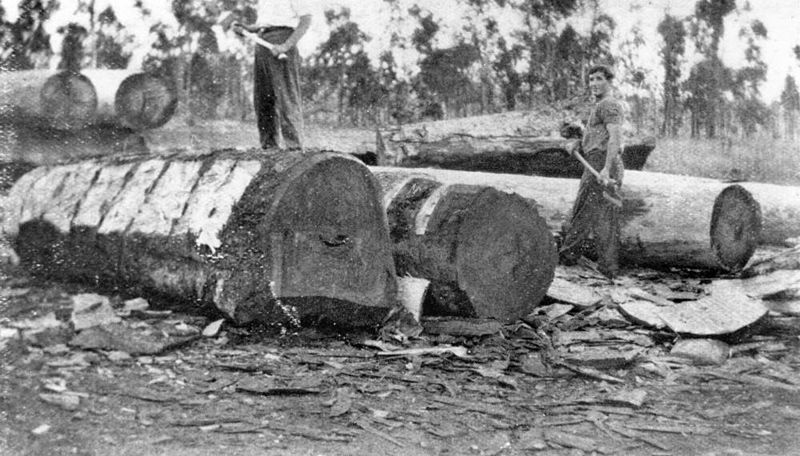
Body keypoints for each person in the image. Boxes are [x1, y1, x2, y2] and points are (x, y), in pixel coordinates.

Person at [559, 64, 625, 278]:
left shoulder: (609, 104)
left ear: (609, 81)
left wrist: (606, 168)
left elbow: (615, 138)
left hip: (602, 164)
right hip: (602, 161)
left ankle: (566, 259)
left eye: (599, 79)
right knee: (605, 217)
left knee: (582, 211)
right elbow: (598, 137)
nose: (594, 83)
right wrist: (577, 143)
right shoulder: (601, 106)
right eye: (591, 79)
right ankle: (608, 268)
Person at [237, 0, 312, 150]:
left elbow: (306, 20)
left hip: (282, 40)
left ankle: (295, 149)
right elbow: (266, 23)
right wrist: (247, 29)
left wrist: (286, 46)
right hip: (262, 41)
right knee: (263, 98)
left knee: (286, 96)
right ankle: (269, 148)